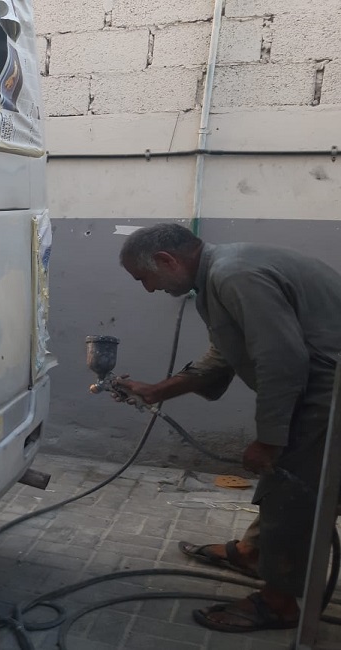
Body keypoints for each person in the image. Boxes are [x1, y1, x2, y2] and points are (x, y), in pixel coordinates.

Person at [114, 223, 341, 633]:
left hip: (328, 388)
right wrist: (156, 391)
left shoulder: (233, 274)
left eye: (144, 277)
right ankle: (256, 554)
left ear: (166, 260)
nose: (149, 289)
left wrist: (269, 440)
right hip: (320, 381)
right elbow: (225, 354)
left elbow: (282, 360)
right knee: (288, 483)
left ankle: (279, 603)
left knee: (294, 492)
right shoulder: (221, 272)